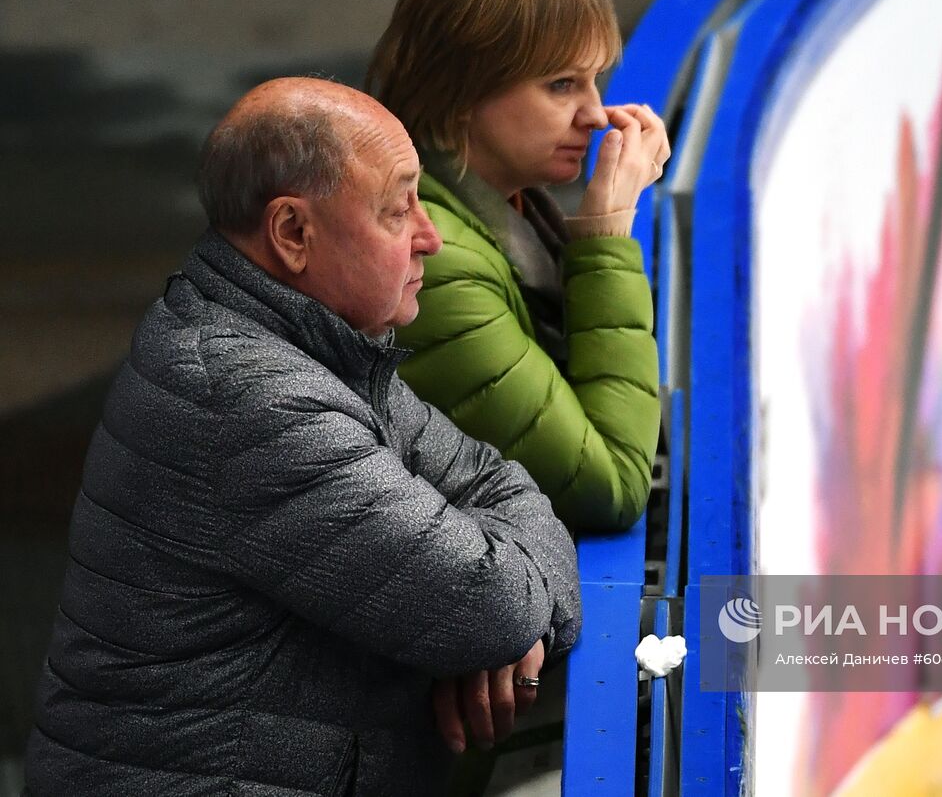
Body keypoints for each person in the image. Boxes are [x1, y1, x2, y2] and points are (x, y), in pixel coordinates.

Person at [24, 78, 580, 796]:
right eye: (396, 209)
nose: (430, 236)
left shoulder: (311, 345)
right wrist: (508, 629)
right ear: (292, 233)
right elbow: (491, 605)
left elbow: (492, 481)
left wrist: (514, 630)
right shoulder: (247, 396)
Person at [366, 0, 669, 535]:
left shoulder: (503, 208)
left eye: (594, 81)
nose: (597, 114)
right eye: (561, 85)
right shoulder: (435, 262)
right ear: (461, 92)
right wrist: (607, 232)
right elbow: (609, 484)